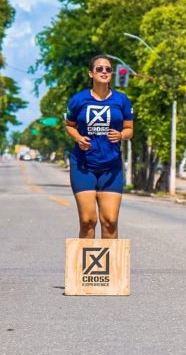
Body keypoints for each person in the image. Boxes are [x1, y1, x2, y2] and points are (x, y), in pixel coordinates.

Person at [65, 55, 133, 239]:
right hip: (83, 166)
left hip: (111, 168)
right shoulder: (78, 100)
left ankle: (110, 267)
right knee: (88, 221)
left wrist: (120, 135)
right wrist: (79, 138)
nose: (104, 72)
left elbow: (129, 129)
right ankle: (85, 267)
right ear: (91, 73)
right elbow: (69, 125)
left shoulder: (122, 100)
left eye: (108, 69)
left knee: (110, 222)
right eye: (99, 69)